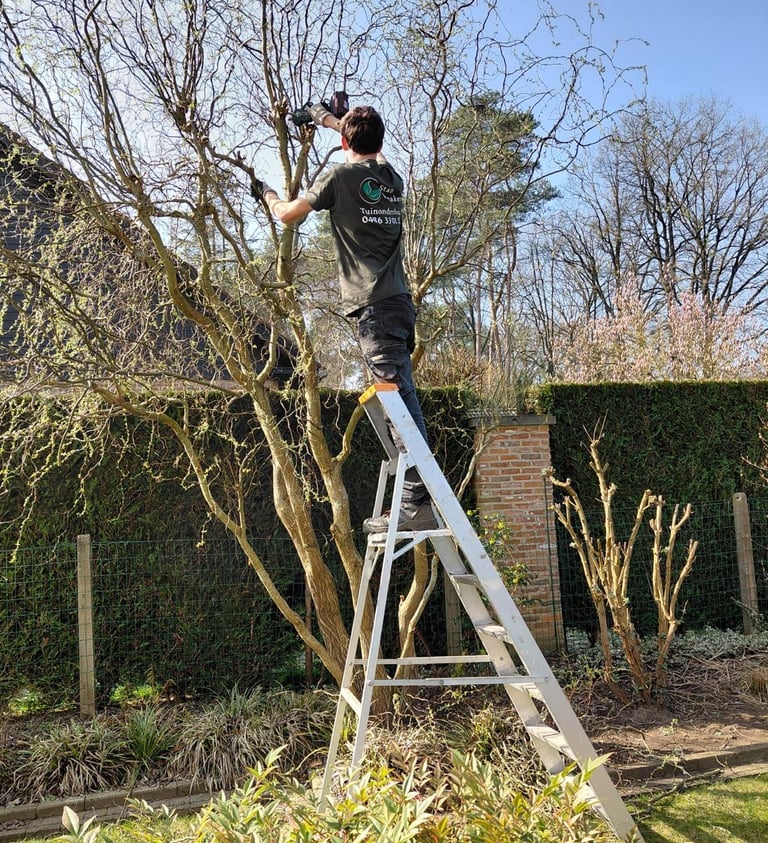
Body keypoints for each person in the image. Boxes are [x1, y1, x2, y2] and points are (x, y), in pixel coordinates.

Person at [254, 104, 437, 533]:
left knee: (397, 406)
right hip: (399, 305)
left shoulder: (339, 177)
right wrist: (329, 120)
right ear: (379, 140)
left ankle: (416, 502)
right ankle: (419, 498)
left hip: (374, 308)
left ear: (343, 143)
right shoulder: (391, 178)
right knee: (403, 398)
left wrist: (265, 192)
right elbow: (369, 149)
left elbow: (286, 214)